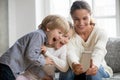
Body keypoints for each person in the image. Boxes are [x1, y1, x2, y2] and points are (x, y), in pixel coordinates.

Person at [0, 15, 70, 80]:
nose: (60, 37)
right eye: (59, 32)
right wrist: (44, 61)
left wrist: (43, 76)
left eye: (63, 34)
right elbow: (31, 56)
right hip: (8, 67)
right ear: (49, 27)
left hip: (10, 68)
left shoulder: (41, 41)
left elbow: (32, 64)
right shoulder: (38, 35)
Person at [60, 1, 113, 80]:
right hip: (76, 67)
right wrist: (75, 64)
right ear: (72, 18)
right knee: (66, 73)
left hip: (97, 66)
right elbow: (70, 52)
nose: (81, 23)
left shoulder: (100, 32)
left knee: (92, 74)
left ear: (90, 15)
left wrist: (94, 65)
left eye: (85, 18)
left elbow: (99, 51)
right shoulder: (69, 34)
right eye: (76, 19)